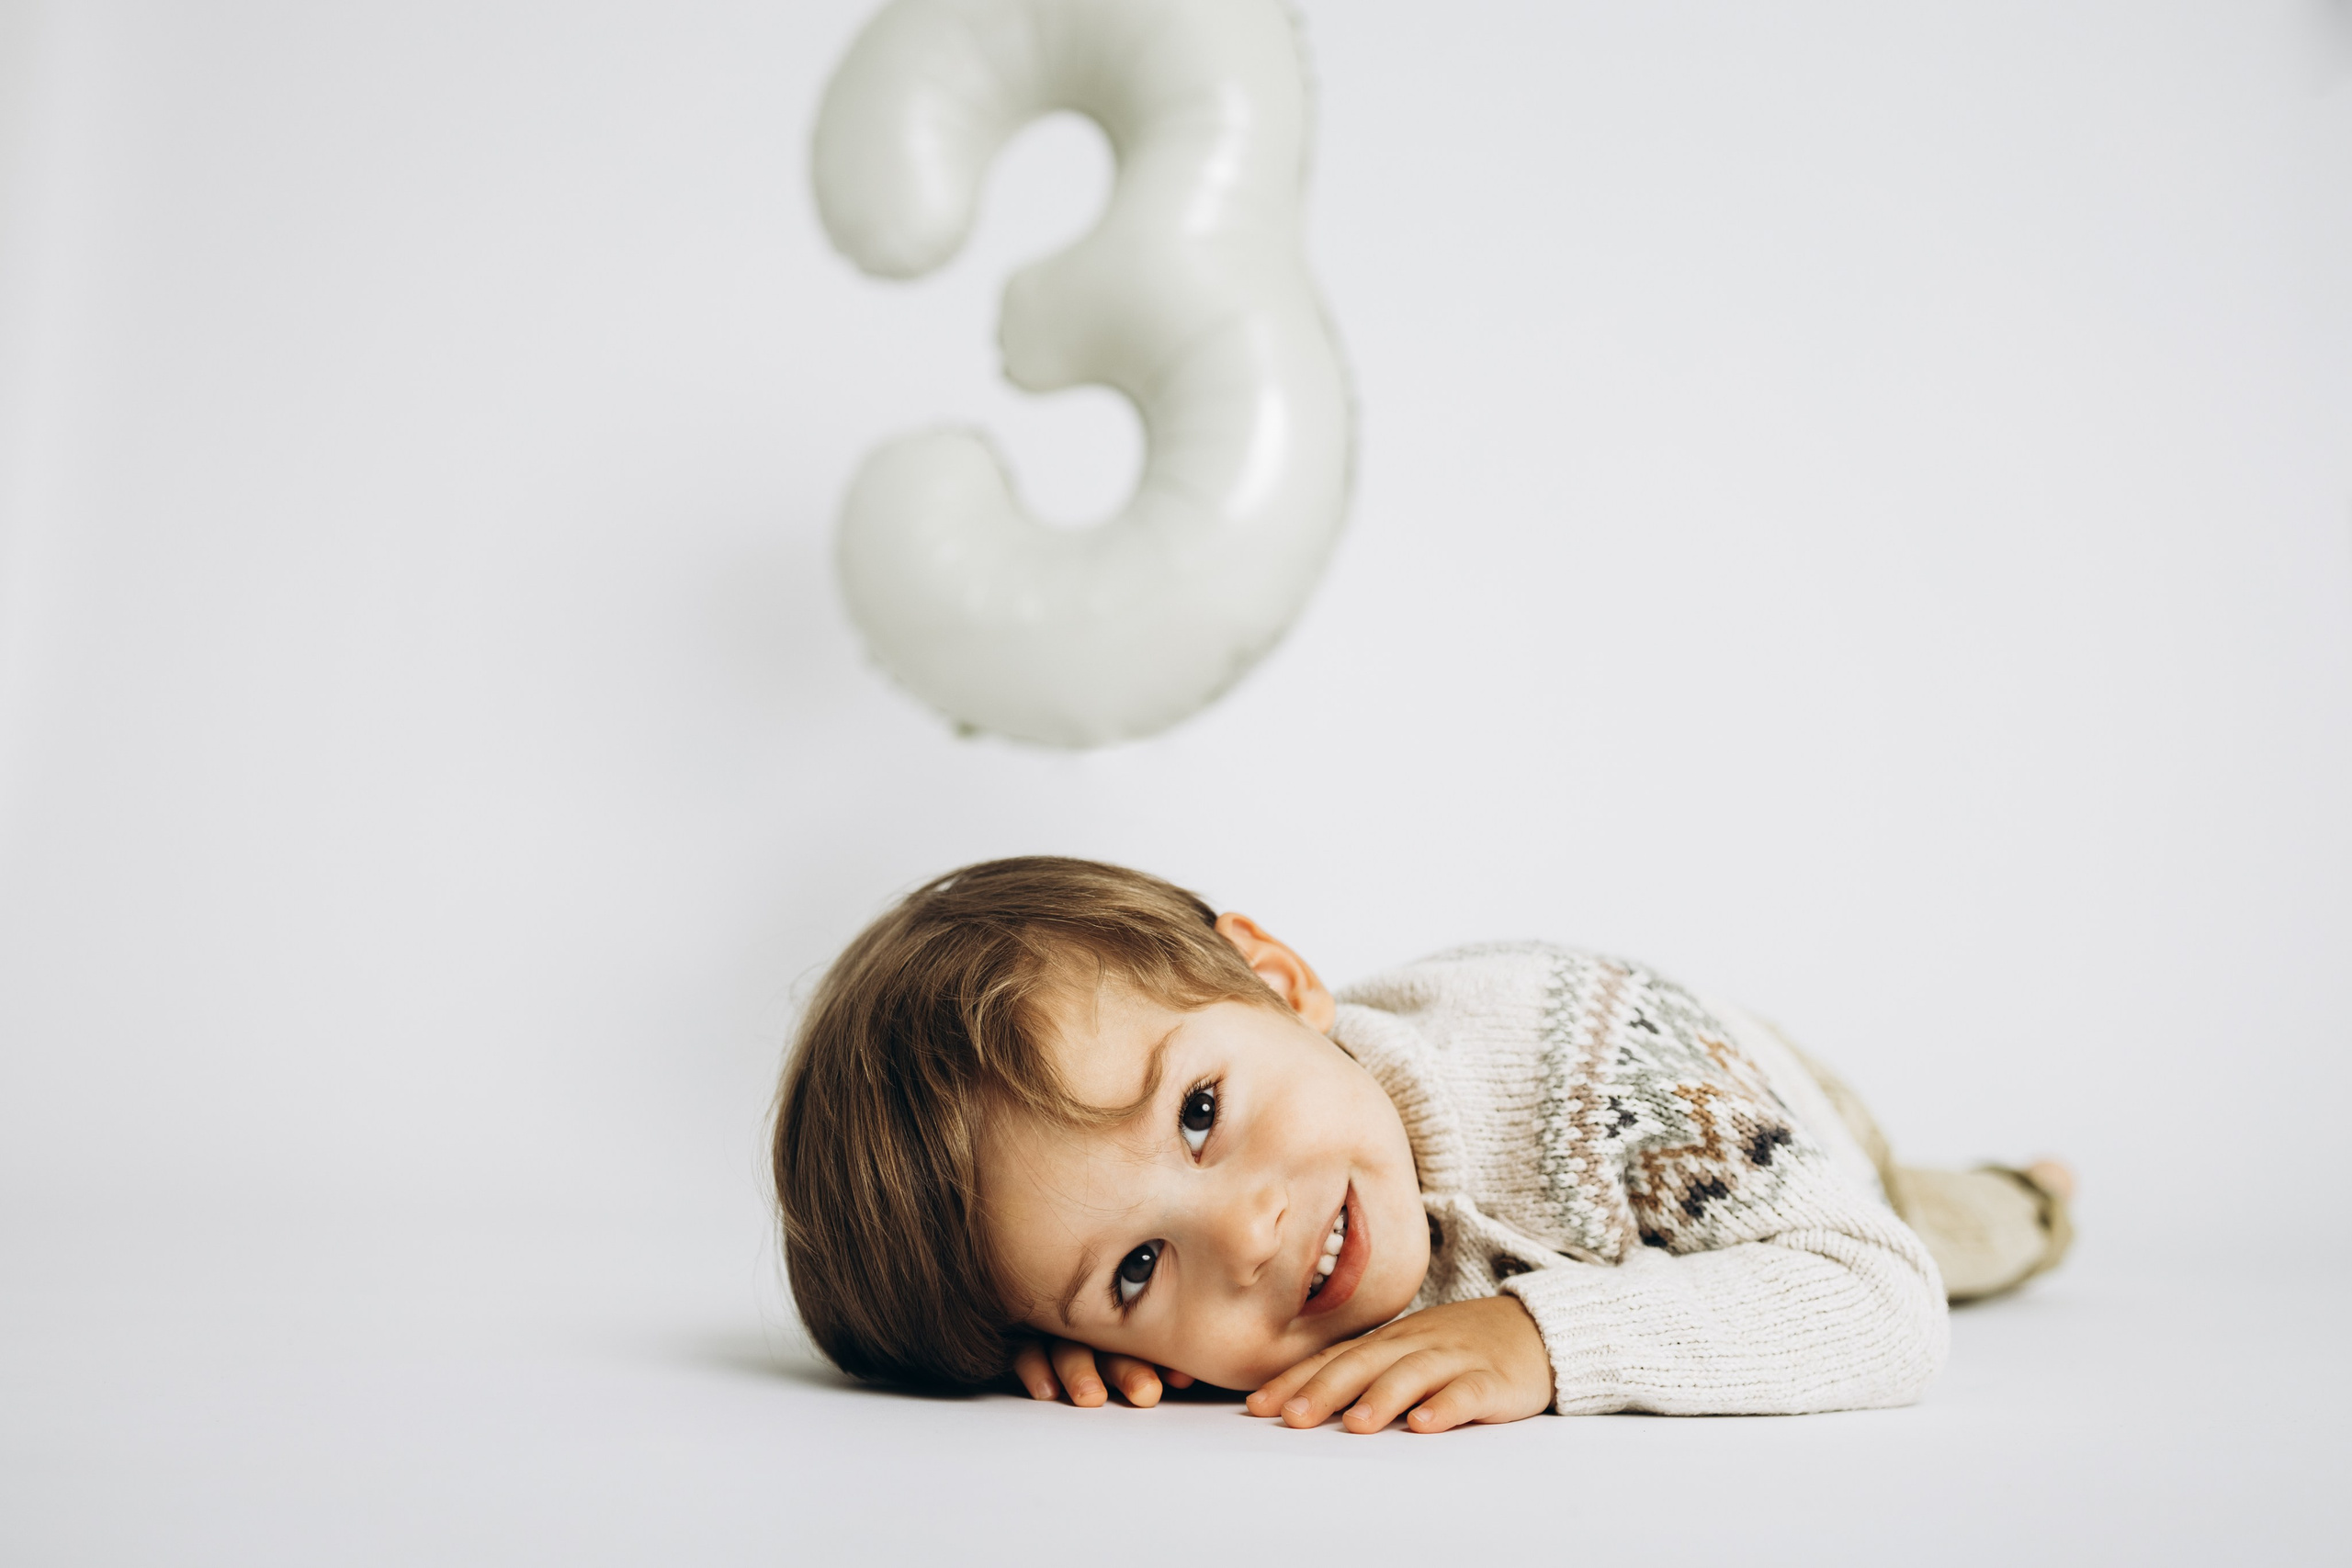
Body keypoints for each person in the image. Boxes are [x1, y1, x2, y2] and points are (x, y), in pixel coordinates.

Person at [771, 857, 2073, 1431]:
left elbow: (1876, 1301)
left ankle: (2030, 1197)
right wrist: (1033, 1350)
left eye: (1201, 1112)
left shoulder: (1584, 1067)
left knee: (1939, 1234)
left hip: (1753, 1109)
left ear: (1278, 981)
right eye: (1134, 1270)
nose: (1246, 1236)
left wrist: (1544, 1341)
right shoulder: (1213, 1269)